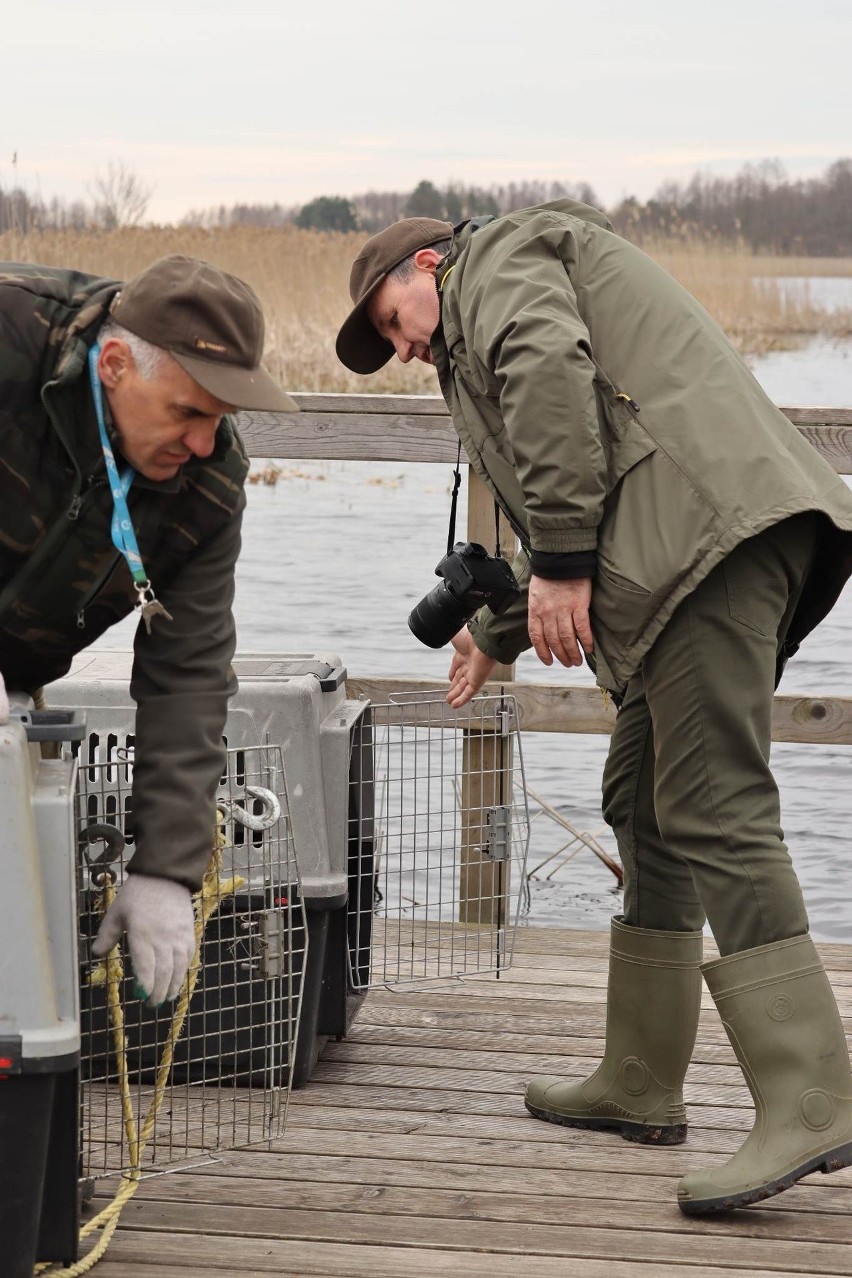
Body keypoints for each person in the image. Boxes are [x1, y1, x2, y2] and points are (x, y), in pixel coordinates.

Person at [336, 203, 852, 1214]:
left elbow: (546, 376)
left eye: (390, 319)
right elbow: (603, 474)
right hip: (692, 545)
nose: (399, 348)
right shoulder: (490, 297)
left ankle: (813, 1101)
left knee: (714, 804)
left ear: (427, 263)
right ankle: (642, 1079)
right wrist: (495, 634)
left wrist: (563, 562)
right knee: (645, 800)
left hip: (716, 545)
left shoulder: (502, 268)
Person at [0, 254, 297, 1007]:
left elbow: (187, 671)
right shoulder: (11, 333)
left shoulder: (209, 485)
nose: (203, 443)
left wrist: (166, 868)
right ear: (115, 364)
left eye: (220, 419)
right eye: (188, 412)